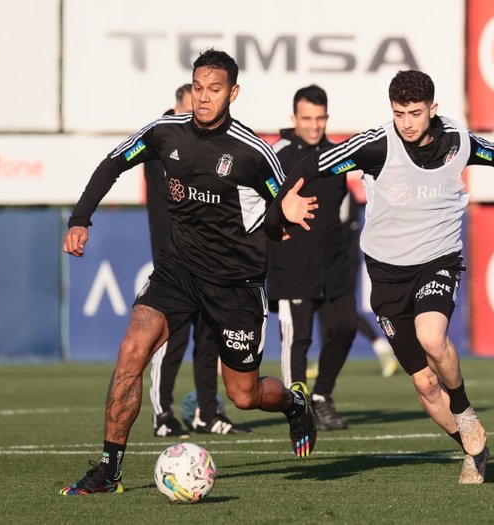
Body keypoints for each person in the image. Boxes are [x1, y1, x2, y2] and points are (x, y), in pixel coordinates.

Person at [266, 69, 494, 484]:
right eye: (399, 113)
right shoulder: (376, 145)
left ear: (433, 109)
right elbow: (311, 164)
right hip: (386, 275)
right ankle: (474, 450)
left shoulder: (458, 141)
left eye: (415, 113)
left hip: (437, 259)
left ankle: (465, 409)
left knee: (432, 336)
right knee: (423, 385)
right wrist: (277, 213)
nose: (406, 123)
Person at [60, 48, 318, 496]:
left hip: (236, 285)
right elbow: (113, 162)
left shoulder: (253, 153)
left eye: (214, 90)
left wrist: (286, 213)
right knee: (130, 351)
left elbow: (275, 223)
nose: (203, 98)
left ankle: (296, 403)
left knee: (243, 395)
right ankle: (108, 471)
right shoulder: (165, 133)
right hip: (178, 271)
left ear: (232, 93)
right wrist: (80, 218)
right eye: (198, 88)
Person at [145, 83, 249, 437]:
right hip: (173, 260)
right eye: (194, 106)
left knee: (209, 339)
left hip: (211, 263)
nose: (201, 113)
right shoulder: (162, 140)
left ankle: (207, 411)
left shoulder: (204, 144)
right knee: (170, 339)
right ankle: (162, 413)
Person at [268, 85, 357, 431]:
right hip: (291, 267)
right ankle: (300, 410)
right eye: (307, 118)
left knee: (347, 326)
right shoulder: (277, 154)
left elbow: (340, 211)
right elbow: (259, 203)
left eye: (320, 118)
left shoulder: (338, 156)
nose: (314, 125)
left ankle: (321, 396)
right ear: (294, 118)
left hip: (332, 268)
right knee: (297, 342)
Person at [344, 172, 399, 378]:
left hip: (339, 261)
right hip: (338, 260)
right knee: (330, 310)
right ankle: (324, 359)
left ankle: (382, 347)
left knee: (343, 308)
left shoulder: (341, 191)